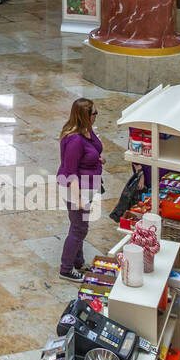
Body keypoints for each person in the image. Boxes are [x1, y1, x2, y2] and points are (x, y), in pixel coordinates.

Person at [57, 98, 103, 280]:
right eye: (94, 113)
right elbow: (71, 173)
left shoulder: (87, 131)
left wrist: (97, 160)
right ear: (85, 116)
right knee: (79, 228)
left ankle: (78, 261)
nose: (97, 116)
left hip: (88, 187)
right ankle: (66, 269)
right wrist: (79, 199)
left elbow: (92, 152)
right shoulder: (75, 139)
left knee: (78, 226)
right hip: (76, 190)